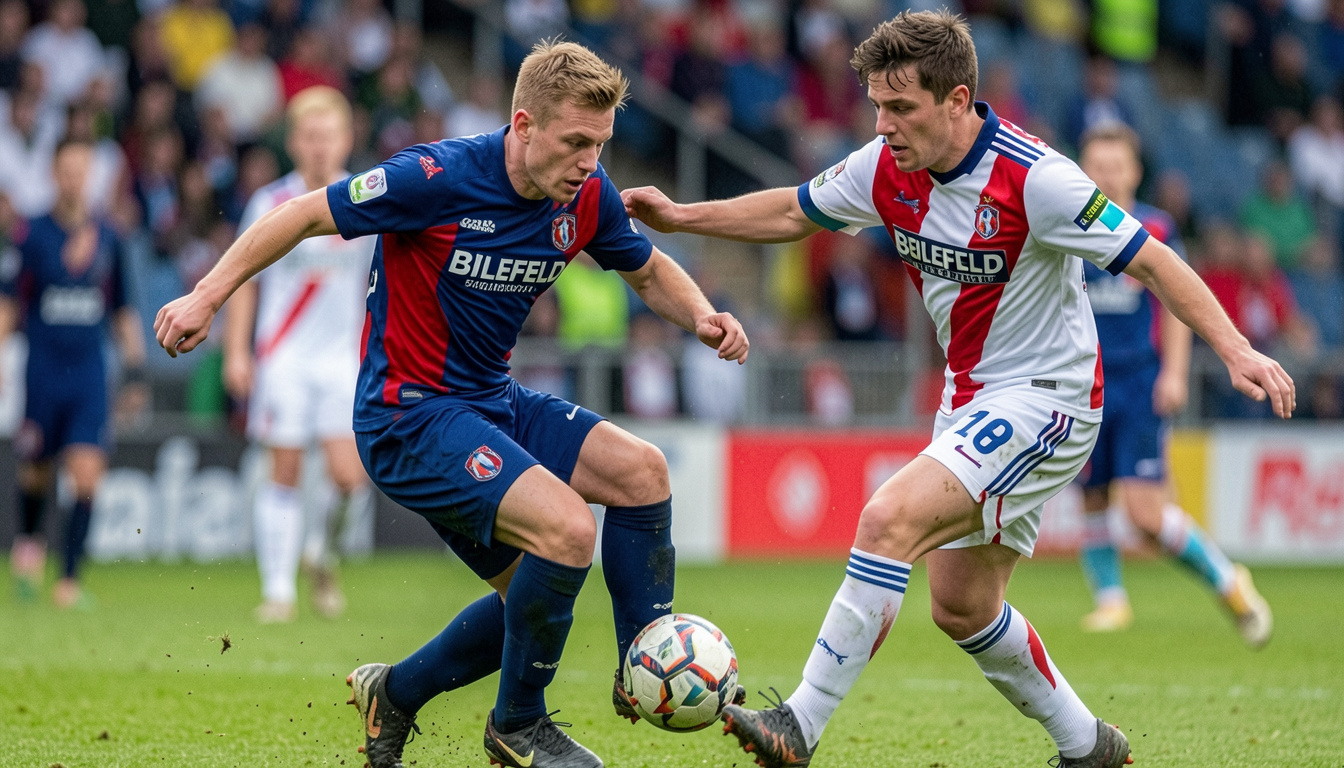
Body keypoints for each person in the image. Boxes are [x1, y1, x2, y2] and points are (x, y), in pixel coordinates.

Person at [621, 11, 1295, 768]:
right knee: (963, 605)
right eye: (876, 105)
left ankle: (798, 725)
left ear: (958, 99)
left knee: (885, 522)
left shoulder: (1037, 179)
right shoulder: (884, 167)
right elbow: (791, 209)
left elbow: (1153, 261)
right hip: (970, 401)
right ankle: (1089, 746)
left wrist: (1235, 349)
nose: (883, 124)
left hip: (1048, 400)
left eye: (900, 107)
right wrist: (681, 217)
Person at [154, 40, 749, 768]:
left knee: (640, 477)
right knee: (563, 534)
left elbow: (647, 269)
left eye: (600, 144)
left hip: (490, 401)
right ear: (524, 125)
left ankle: (631, 663)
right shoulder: (435, 177)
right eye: (575, 144)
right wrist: (206, 295)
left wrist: (702, 317)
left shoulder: (584, 196)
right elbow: (305, 214)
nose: (590, 163)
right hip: (408, 416)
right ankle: (517, 726)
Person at [1073, 123, 1272, 644]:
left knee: (1143, 514)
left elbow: (1178, 305)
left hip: (1140, 381)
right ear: (1084, 169)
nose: (1108, 174)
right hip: (1082, 383)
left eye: (1116, 165)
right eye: (1098, 164)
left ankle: (1228, 580)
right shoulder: (1070, 227)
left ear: (1134, 171)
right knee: (1091, 495)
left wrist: (1175, 372)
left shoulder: (1156, 229)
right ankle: (1111, 603)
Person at [222, 86, 376, 624]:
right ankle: (279, 590)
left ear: (346, 139)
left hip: (341, 361)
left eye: (327, 136)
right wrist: (236, 352)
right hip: (282, 357)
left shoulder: (366, 200)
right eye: (309, 137)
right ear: (293, 142)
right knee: (282, 469)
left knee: (349, 479)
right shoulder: (268, 204)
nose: (318, 146)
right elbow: (243, 279)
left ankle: (322, 555)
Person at [2, 137, 146, 608]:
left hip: (88, 372)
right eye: (66, 170)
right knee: (37, 472)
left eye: (82, 170)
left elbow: (122, 307)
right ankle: (28, 546)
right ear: (53, 174)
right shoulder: (31, 233)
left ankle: (67, 580)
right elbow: (9, 302)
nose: (74, 178)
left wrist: (137, 367)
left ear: (91, 176)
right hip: (42, 371)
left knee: (86, 473)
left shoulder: (109, 235)